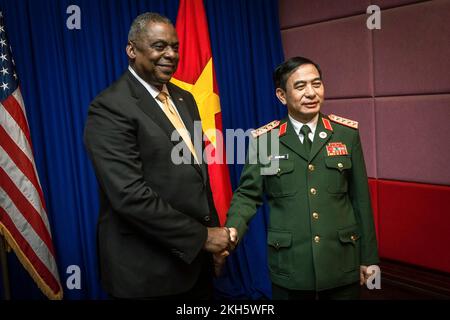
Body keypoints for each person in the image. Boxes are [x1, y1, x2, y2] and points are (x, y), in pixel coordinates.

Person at [83, 12, 232, 300]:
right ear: (131, 50)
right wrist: (202, 238)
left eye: (175, 47)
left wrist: (212, 239)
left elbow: (197, 176)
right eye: (159, 46)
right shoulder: (109, 107)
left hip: (194, 265)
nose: (171, 54)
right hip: (147, 274)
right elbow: (129, 195)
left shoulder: (184, 98)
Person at [224, 56, 379, 300]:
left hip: (341, 262)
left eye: (316, 84)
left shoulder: (345, 134)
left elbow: (360, 199)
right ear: (281, 96)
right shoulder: (266, 140)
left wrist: (369, 258)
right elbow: (247, 195)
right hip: (290, 266)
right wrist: (232, 229)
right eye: (300, 86)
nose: (311, 93)